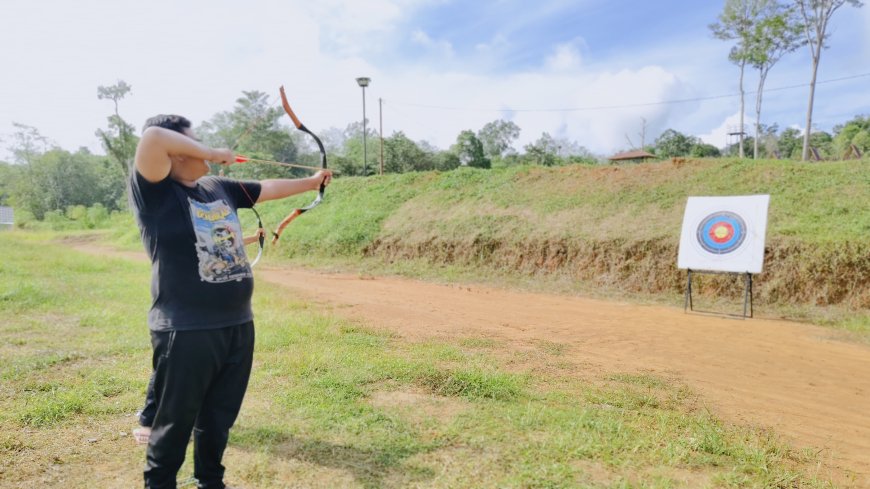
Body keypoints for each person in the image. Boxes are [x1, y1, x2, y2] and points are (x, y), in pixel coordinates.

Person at [129, 114, 331, 489]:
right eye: (191, 144)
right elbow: (154, 137)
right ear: (175, 154)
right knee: (174, 423)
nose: (200, 149)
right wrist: (214, 151)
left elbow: (266, 187)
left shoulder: (217, 187)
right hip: (185, 329)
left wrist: (311, 182)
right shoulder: (155, 193)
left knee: (218, 418)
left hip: (237, 324)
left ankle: (211, 481)